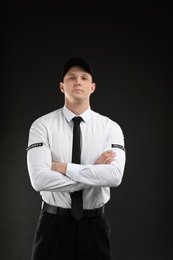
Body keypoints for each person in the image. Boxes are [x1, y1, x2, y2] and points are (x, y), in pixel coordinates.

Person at [26, 57, 126, 260]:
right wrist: (94, 173)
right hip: (53, 225)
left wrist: (62, 167)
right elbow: (39, 180)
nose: (78, 82)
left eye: (83, 77)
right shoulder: (42, 126)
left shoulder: (110, 128)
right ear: (62, 86)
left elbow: (114, 176)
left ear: (92, 87)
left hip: (94, 226)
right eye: (71, 77)